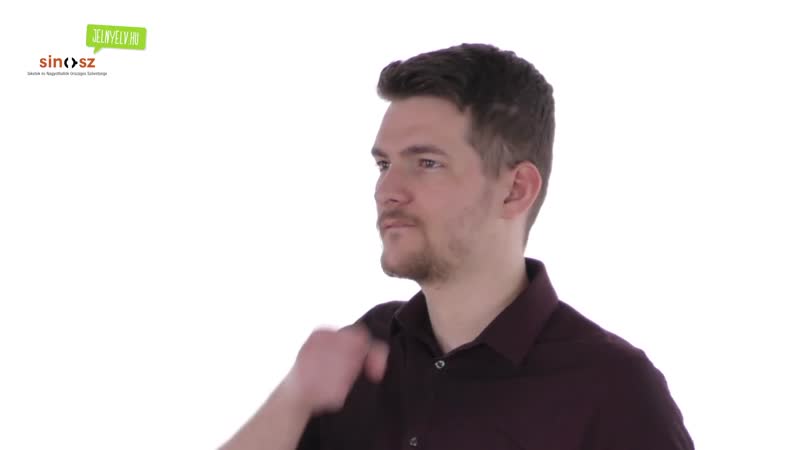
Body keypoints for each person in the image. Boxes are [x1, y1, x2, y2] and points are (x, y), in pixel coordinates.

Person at [220, 43, 694, 450]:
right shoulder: (356, 357)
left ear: (515, 190)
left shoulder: (613, 391)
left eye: (426, 162)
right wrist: (292, 400)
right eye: (384, 165)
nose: (387, 190)